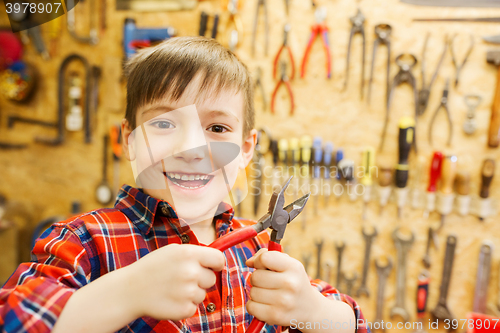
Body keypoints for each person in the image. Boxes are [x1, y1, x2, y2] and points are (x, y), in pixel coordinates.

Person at [0, 37, 369, 333]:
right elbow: (12, 320)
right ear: (128, 139)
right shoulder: (83, 242)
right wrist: (126, 293)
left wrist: (313, 311)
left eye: (217, 128)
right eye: (164, 124)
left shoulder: (259, 248)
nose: (191, 149)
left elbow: (357, 325)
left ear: (245, 150)